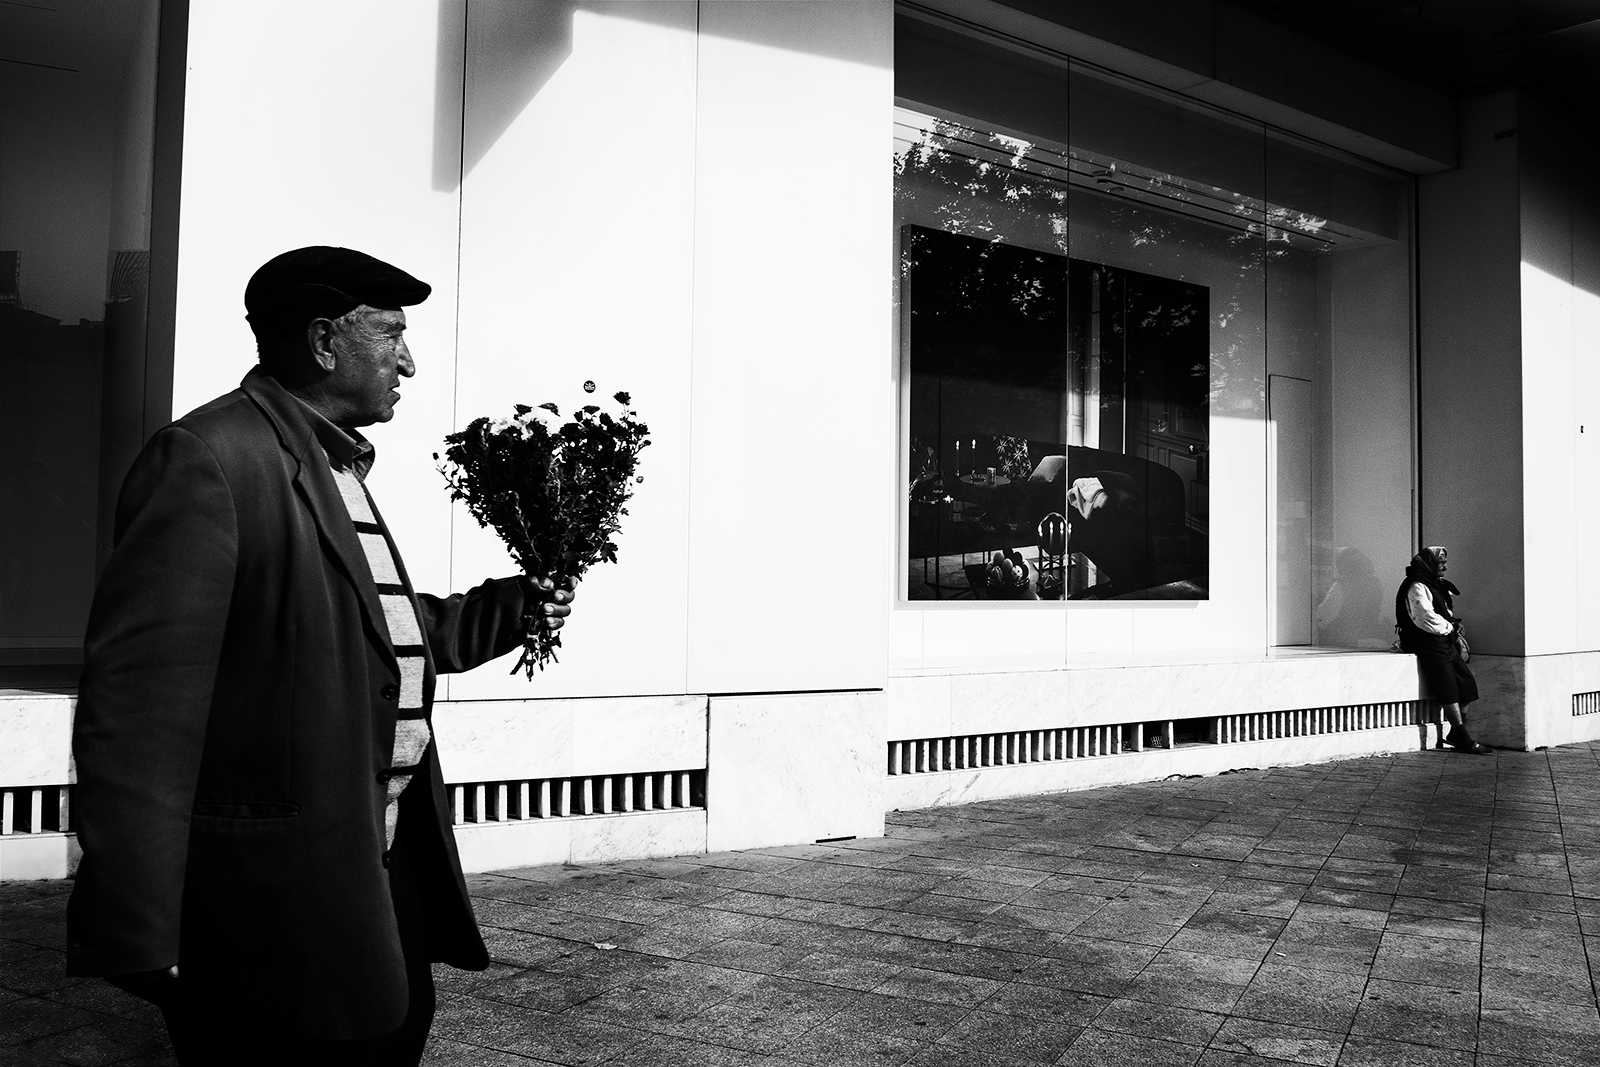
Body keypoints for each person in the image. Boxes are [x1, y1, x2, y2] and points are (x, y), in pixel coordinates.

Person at [65, 246, 573, 1065]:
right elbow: (138, 711)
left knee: (396, 1022)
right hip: (269, 895)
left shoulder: (332, 463)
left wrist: (510, 609)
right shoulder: (209, 459)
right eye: (392, 334)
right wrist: (138, 925)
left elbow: (376, 631)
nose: (408, 360)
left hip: (372, 862)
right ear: (325, 341)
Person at [1395, 545, 1489, 753]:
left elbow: (1443, 611)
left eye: (1445, 563)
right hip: (1427, 642)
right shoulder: (1416, 585)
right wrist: (1450, 627)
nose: (1444, 567)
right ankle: (1461, 735)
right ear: (1429, 564)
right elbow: (1425, 618)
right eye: (1440, 563)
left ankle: (1457, 733)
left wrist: (1454, 624)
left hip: (1443, 641)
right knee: (1448, 688)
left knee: (1466, 685)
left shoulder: (1433, 583)